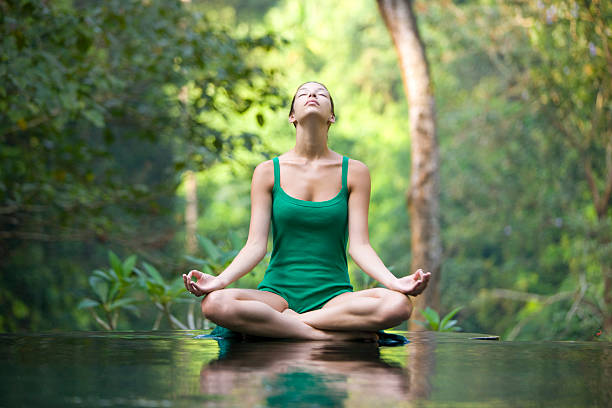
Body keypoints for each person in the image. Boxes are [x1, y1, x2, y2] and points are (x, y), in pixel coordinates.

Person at [183, 81, 431, 341]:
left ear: (331, 116)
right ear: (292, 116)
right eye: (304, 93)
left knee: (399, 304)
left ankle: (292, 324)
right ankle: (328, 338)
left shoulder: (355, 172)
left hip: (335, 299)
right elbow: (255, 246)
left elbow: (360, 246)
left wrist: (395, 283)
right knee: (214, 303)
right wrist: (219, 281)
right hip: (276, 296)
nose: (312, 95)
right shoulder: (267, 172)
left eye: (321, 93)